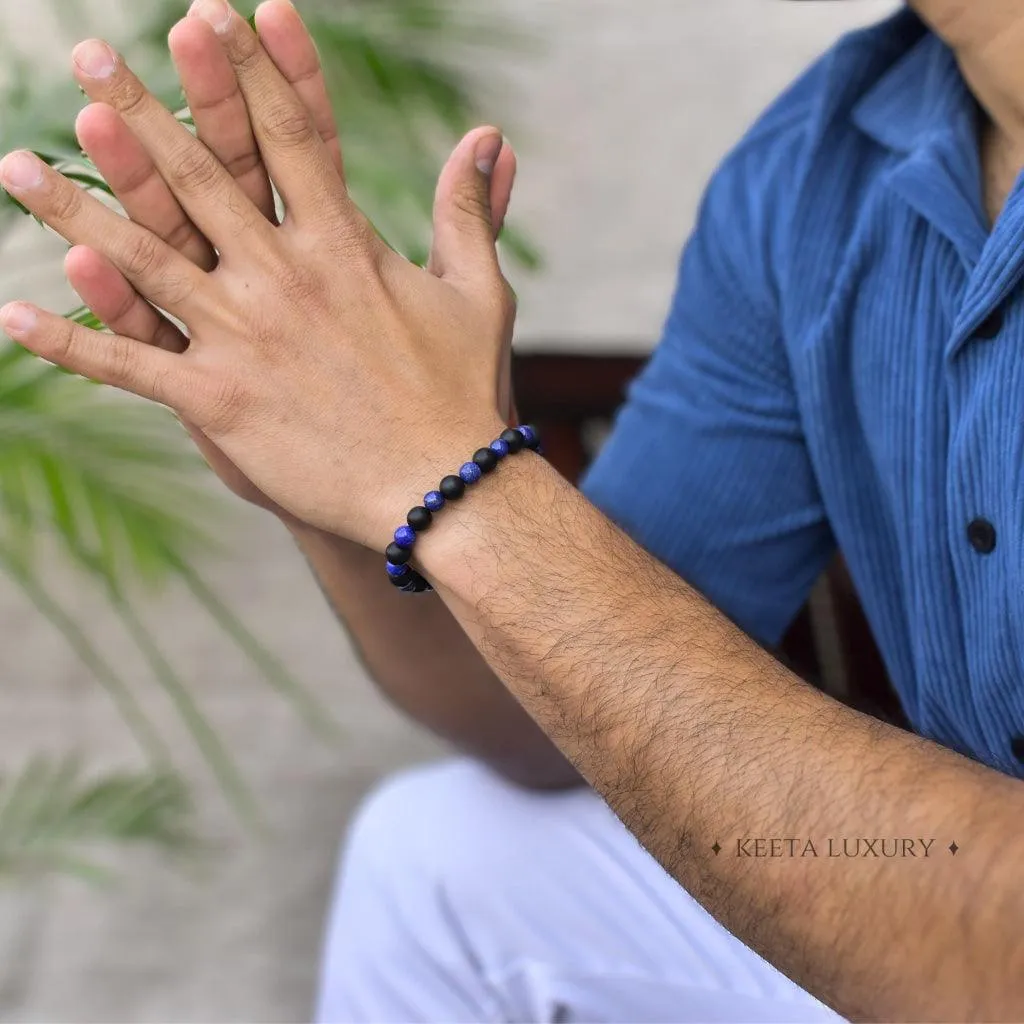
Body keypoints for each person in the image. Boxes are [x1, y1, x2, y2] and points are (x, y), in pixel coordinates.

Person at [2, 0, 1023, 1018]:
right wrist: (340, 485)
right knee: (440, 855)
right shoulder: (817, 162)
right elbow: (567, 727)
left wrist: (458, 480)